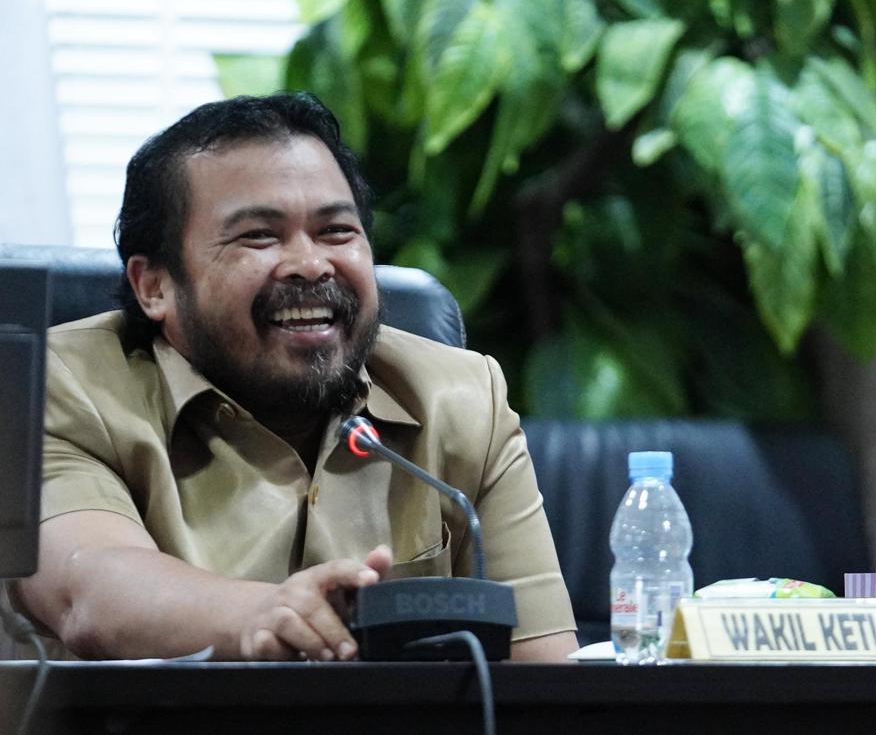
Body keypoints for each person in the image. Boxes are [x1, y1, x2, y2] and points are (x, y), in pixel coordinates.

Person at [14, 93, 578, 662]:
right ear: (154, 286)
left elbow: (546, 674)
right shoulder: (49, 387)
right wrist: (263, 614)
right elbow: (92, 592)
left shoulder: (464, 398)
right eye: (259, 235)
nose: (310, 264)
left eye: (336, 231)